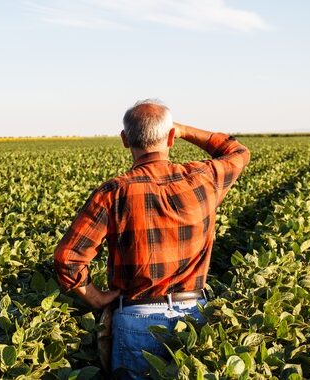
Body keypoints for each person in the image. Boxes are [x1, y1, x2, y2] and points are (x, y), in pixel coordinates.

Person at [53, 99, 250, 378]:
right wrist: (183, 130)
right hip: (193, 316)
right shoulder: (204, 178)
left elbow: (68, 258)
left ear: (124, 140)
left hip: (135, 318)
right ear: (171, 137)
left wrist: (95, 297)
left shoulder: (113, 192)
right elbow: (237, 151)